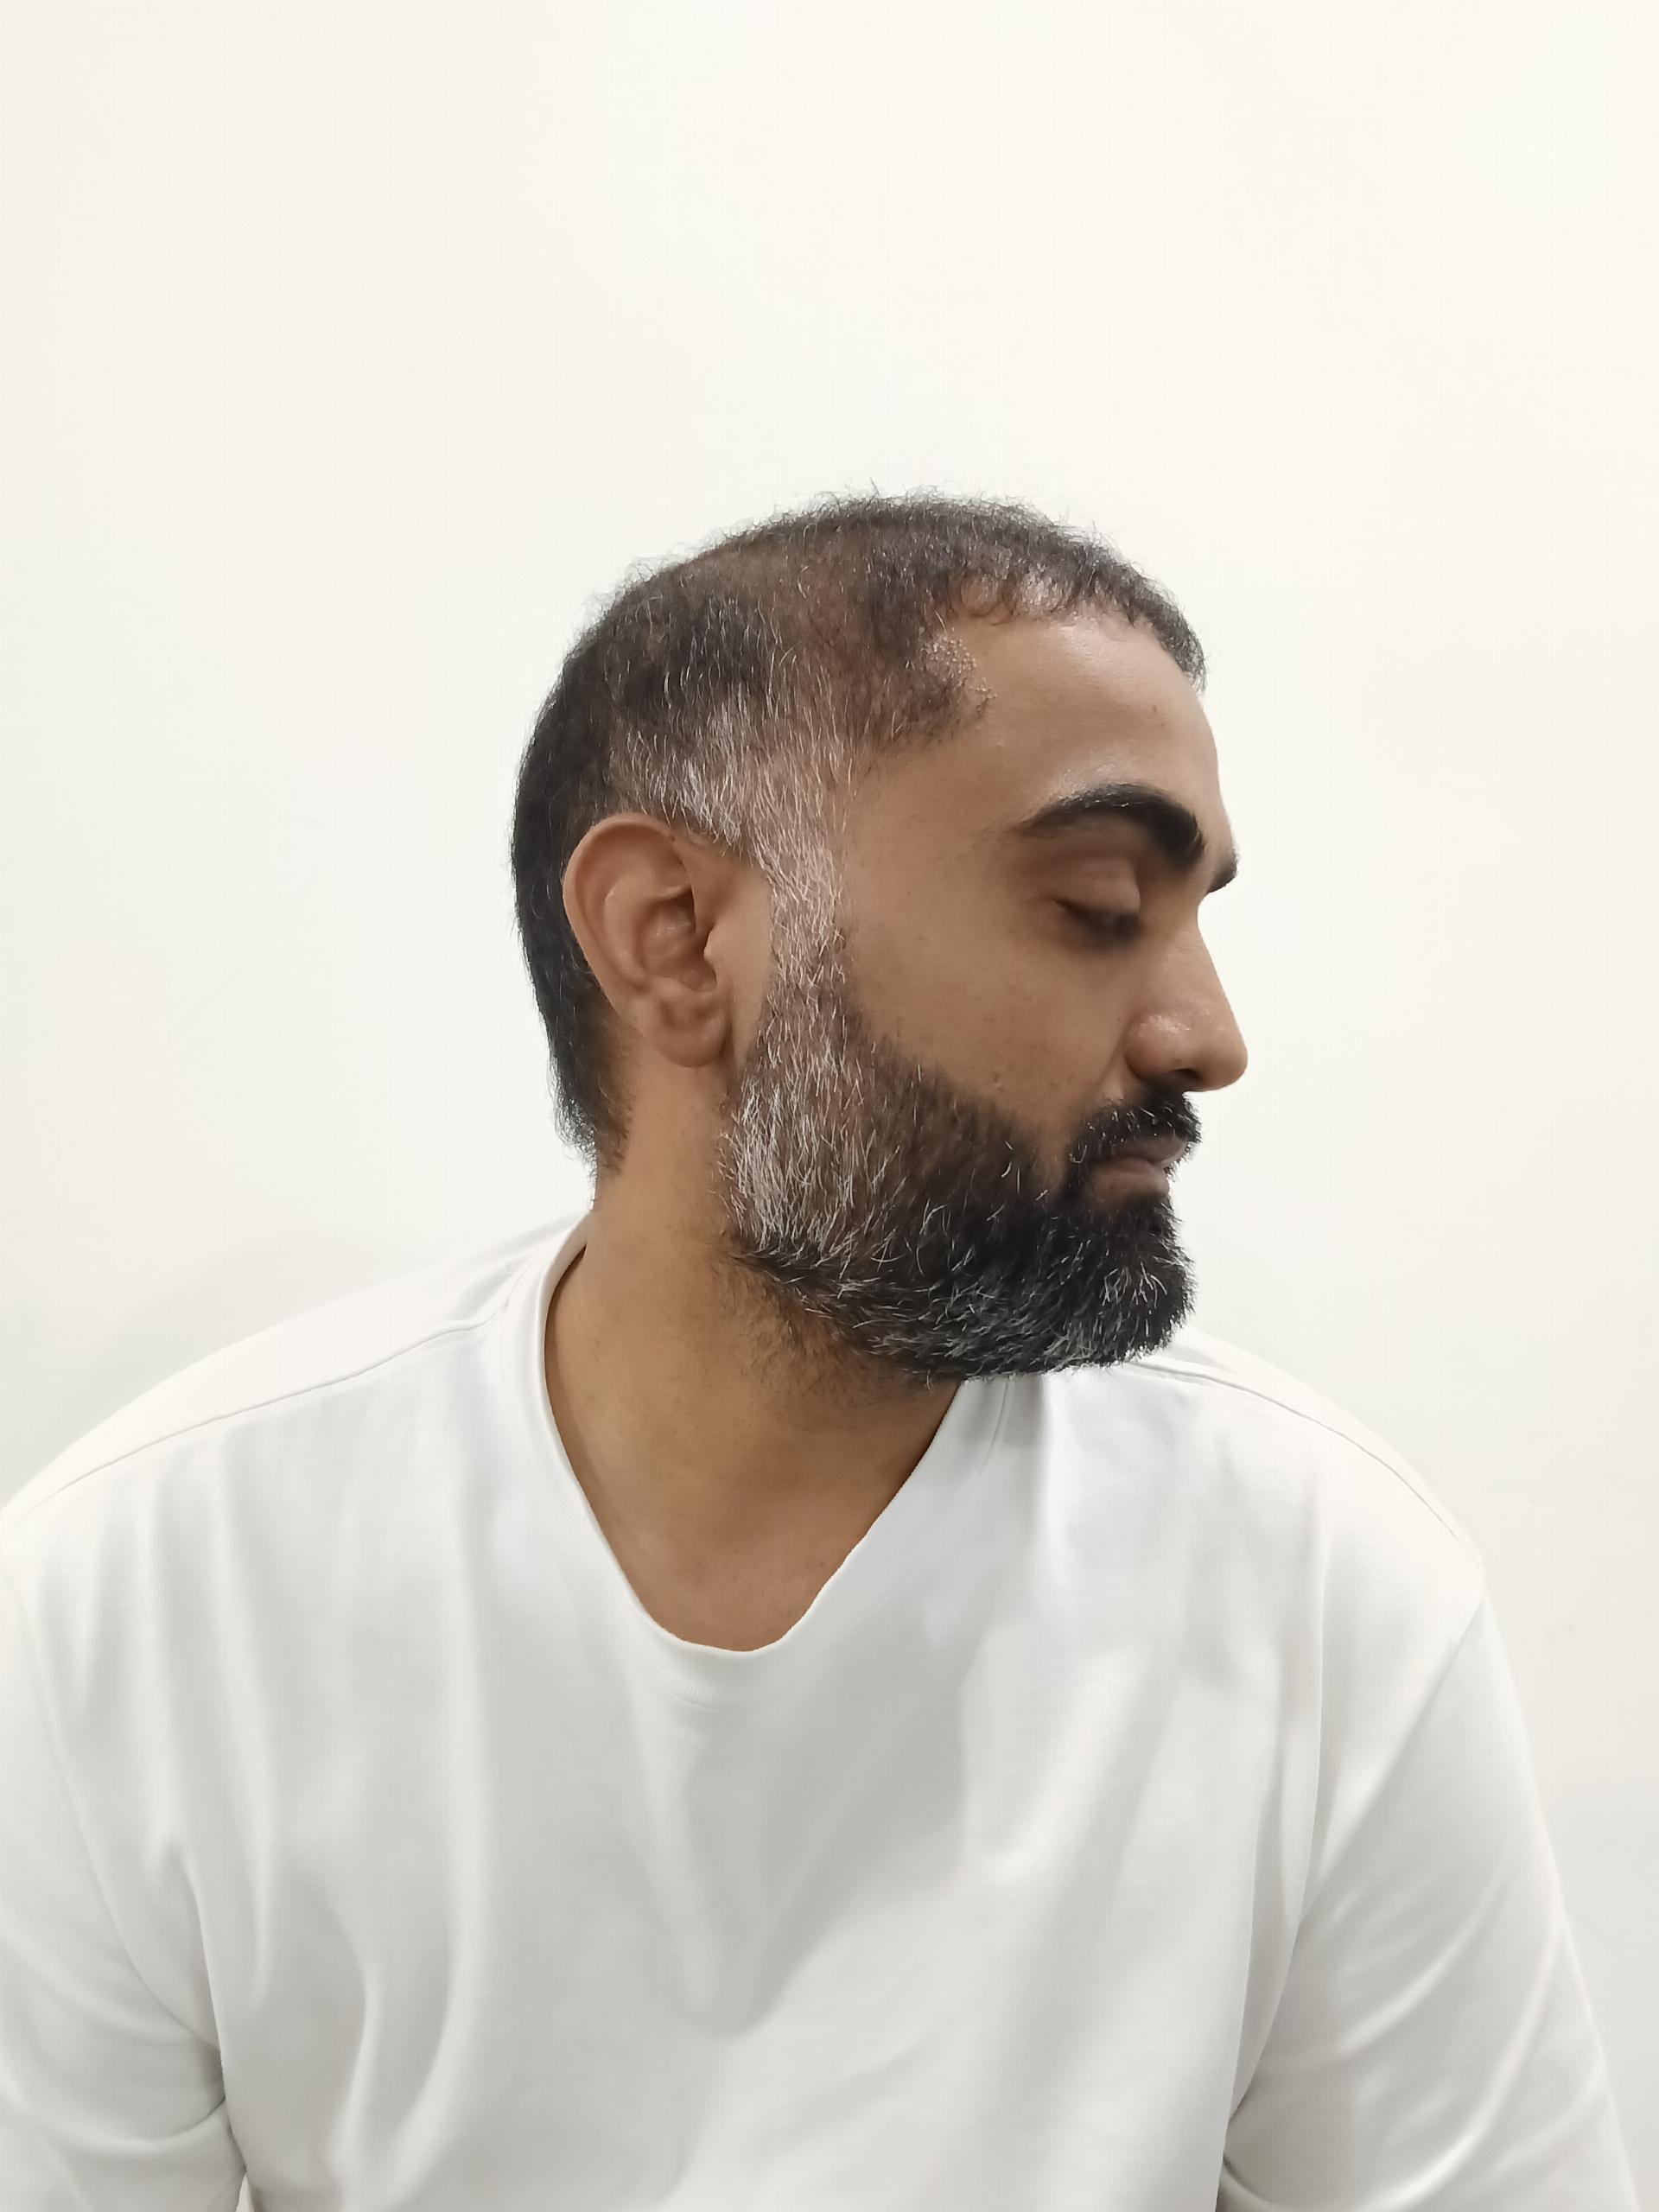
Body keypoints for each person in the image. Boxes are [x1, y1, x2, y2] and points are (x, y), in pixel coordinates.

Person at [0, 493, 1637, 2209]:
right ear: (675, 938)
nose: (1207, 1033)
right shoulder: (140, 1605)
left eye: (1193, 916)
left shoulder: (1315, 1590)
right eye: (1097, 905)